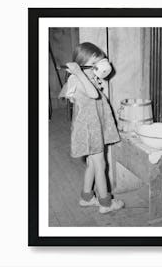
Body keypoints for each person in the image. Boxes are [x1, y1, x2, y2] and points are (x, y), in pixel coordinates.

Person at [58, 42, 124, 214]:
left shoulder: (87, 77)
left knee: (93, 165)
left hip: (94, 126)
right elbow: (93, 95)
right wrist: (79, 73)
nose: (100, 66)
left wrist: (89, 75)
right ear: (85, 62)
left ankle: (86, 198)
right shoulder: (77, 78)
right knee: (100, 165)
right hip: (89, 130)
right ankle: (106, 203)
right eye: (96, 62)